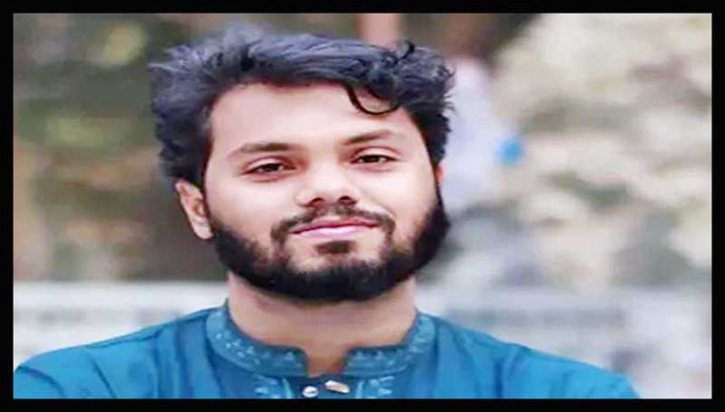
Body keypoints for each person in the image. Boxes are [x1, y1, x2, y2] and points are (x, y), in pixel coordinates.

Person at [13, 25, 639, 399]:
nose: (328, 188)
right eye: (271, 167)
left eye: (371, 158)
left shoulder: (564, 393)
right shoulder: (80, 388)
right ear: (197, 207)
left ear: (436, 184)